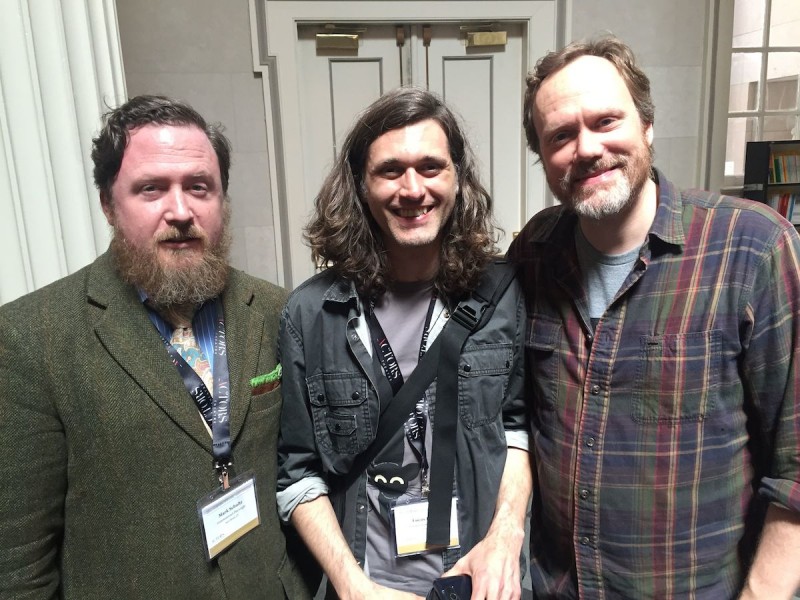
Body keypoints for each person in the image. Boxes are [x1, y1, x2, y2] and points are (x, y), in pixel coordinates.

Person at [508, 36, 800, 599]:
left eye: (606, 121)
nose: (586, 149)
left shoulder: (753, 249)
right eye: (560, 136)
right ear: (543, 157)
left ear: (646, 126)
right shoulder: (533, 253)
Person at [0, 95, 312, 599]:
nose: (181, 211)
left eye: (199, 188)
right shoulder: (31, 336)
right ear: (108, 203)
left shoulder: (277, 309)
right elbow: (18, 567)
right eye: (151, 189)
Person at [276, 87, 532, 600]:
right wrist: (351, 586)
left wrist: (507, 535)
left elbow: (517, 428)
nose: (412, 189)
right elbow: (297, 474)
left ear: (458, 178)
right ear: (361, 186)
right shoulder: (311, 313)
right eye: (390, 170)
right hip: (371, 585)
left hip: (480, 576)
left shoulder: (504, 295)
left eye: (431, 167)